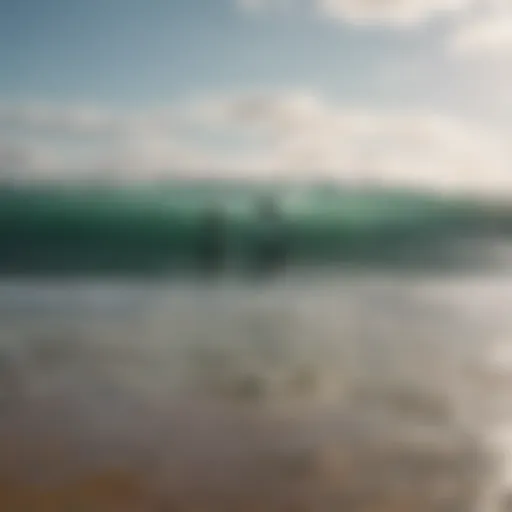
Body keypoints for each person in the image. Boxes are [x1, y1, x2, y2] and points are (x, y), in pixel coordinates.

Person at [255, 197, 286, 273]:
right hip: (267, 244)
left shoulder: (275, 216)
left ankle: (271, 266)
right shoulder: (263, 216)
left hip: (271, 244)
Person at [198, 204, 226, 273]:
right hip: (209, 252)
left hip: (212, 252)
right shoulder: (210, 229)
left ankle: (212, 268)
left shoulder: (217, 229)